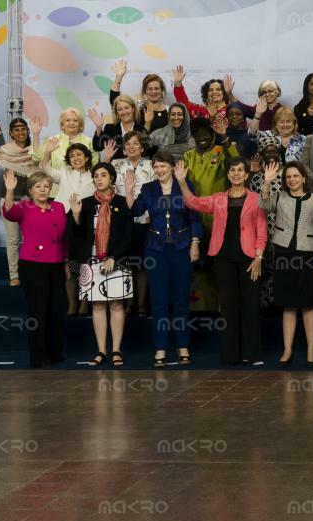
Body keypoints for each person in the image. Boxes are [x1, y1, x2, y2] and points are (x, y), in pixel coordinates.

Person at [177, 157, 266, 366]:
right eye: (232, 170)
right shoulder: (218, 198)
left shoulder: (256, 199)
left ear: (246, 175)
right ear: (228, 175)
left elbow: (262, 232)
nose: (236, 173)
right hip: (223, 259)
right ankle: (230, 355)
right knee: (227, 307)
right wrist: (181, 182)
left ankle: (250, 354)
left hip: (249, 260)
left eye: (240, 170)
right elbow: (193, 202)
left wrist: (258, 257)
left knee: (250, 306)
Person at [124, 153, 201, 368]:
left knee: (180, 301)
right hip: (155, 250)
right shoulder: (149, 189)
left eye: (163, 166)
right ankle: (160, 347)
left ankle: (183, 346)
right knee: (158, 301)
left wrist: (195, 242)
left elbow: (194, 215)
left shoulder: (185, 185)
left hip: (181, 248)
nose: (159, 170)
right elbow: (136, 211)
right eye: (156, 166)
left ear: (172, 167)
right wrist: (129, 191)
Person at [260, 161, 313, 367]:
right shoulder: (279, 196)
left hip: (308, 255)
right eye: (288, 177)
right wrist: (267, 183)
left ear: (304, 179)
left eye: (295, 176)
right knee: (288, 305)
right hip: (283, 254)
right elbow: (263, 206)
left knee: (308, 305)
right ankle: (287, 349)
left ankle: (310, 349)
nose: (291, 180)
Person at [67, 161, 133, 367]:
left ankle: (116, 350)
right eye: (96, 176)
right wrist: (76, 216)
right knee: (96, 305)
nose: (99, 178)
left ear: (111, 178)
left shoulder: (122, 202)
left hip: (116, 260)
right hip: (91, 261)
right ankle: (101, 350)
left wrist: (114, 257)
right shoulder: (85, 204)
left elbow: (128, 235)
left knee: (115, 304)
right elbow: (76, 237)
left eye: (103, 175)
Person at [1, 170, 67, 368]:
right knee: (38, 312)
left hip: (55, 264)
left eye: (46, 186)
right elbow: (9, 212)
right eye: (38, 186)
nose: (42, 190)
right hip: (33, 265)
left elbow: (63, 238)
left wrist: (64, 262)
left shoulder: (58, 206)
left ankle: (54, 352)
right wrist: (10, 191)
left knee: (56, 310)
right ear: (30, 190)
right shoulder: (24, 206)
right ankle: (38, 357)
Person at [40, 139, 96, 316]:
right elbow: (45, 170)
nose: (76, 158)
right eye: (72, 156)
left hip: (86, 222)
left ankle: (85, 303)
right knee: (69, 265)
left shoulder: (94, 175)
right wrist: (48, 151)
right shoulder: (64, 173)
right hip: (63, 221)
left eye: (79, 154)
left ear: (87, 158)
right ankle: (72, 304)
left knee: (85, 265)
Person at [0, 117, 40, 286]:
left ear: (28, 131)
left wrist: (36, 135)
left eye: (23, 129)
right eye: (16, 129)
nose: (20, 132)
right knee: (13, 239)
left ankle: (31, 273)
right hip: (9, 199)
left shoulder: (34, 150)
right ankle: (14, 275)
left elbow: (43, 164)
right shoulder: (6, 150)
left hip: (32, 200)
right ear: (11, 133)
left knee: (32, 238)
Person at [112, 131, 155, 318]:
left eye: (135, 144)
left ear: (143, 147)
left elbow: (156, 193)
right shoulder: (116, 165)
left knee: (143, 264)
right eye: (127, 144)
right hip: (123, 221)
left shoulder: (152, 165)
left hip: (145, 220)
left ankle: (142, 304)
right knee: (126, 263)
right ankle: (129, 303)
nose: (131, 147)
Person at [108, 60, 169, 133]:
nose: (153, 92)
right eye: (150, 89)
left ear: (162, 90)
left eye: (156, 88)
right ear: (145, 91)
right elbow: (115, 101)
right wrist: (118, 78)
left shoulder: (169, 110)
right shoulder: (138, 108)